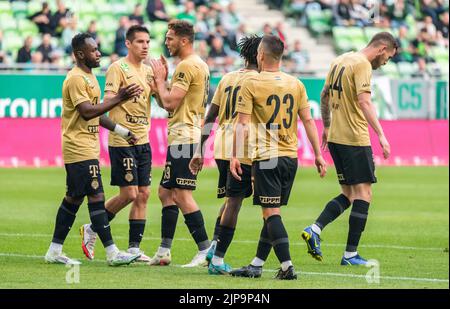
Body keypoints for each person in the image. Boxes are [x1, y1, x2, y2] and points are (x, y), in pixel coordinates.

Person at [229, 35, 326, 280]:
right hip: (290, 157)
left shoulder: (251, 83)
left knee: (270, 214)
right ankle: (257, 264)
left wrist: (235, 156)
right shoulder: (296, 84)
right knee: (271, 212)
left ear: (260, 55)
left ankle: (286, 266)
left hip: (267, 156)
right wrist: (317, 154)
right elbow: (308, 121)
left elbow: (241, 124)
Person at [44, 33, 143, 266]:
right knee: (96, 196)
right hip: (78, 147)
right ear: (80, 54)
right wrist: (119, 97)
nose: (98, 53)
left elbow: (97, 115)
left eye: (98, 49)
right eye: (93, 50)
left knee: (73, 199)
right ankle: (112, 252)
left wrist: (121, 131)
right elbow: (87, 111)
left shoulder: (89, 77)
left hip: (86, 146)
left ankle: (54, 250)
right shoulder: (76, 79)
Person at [301, 32, 397, 266]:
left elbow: (324, 95)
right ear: (382, 49)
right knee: (364, 194)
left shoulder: (340, 60)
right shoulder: (363, 64)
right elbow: (365, 102)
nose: (386, 63)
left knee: (349, 194)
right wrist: (382, 135)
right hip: (354, 137)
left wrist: (326, 126)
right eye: (389, 58)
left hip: (335, 137)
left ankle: (315, 229)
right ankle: (351, 255)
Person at [79, 25, 164, 263]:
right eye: (139, 42)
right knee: (129, 193)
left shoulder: (148, 71)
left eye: (147, 42)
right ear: (128, 44)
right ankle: (93, 228)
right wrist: (121, 129)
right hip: (122, 140)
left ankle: (134, 248)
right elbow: (105, 105)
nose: (145, 46)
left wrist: (161, 83)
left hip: (143, 139)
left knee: (144, 194)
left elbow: (166, 104)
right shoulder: (118, 68)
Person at [189, 35, 262, 275]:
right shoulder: (260, 80)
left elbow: (210, 117)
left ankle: (213, 247)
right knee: (235, 202)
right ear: (262, 55)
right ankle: (218, 259)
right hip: (243, 147)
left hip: (221, 145)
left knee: (230, 199)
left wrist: (199, 149)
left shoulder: (228, 78)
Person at [148, 20, 211, 267]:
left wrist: (161, 80)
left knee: (182, 195)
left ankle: (205, 249)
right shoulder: (199, 65)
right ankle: (164, 251)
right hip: (184, 134)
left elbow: (171, 104)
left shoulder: (186, 66)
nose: (166, 42)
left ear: (184, 40)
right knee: (165, 192)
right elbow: (166, 102)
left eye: (170, 38)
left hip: (185, 136)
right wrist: (158, 88)